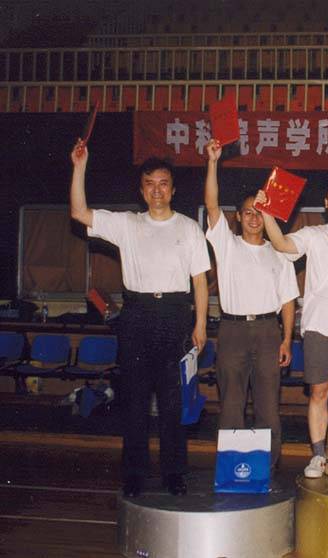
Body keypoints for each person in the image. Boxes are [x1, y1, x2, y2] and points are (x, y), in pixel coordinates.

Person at [70, 140, 210, 497]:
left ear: (173, 190)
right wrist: (79, 166)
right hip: (136, 316)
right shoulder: (127, 224)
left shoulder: (189, 228)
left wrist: (200, 324)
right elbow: (80, 212)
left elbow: (199, 281)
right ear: (142, 190)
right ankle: (134, 476)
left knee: (172, 401)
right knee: (133, 400)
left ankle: (174, 474)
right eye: (150, 184)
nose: (157, 190)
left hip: (176, 316)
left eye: (163, 184)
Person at [262, 179, 328, 479]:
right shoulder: (313, 234)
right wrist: (266, 212)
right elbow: (281, 244)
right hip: (319, 324)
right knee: (319, 392)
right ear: (325, 203)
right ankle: (319, 455)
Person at [204, 139, 298, 467]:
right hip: (232, 331)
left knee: (268, 405)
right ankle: (231, 467)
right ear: (238, 217)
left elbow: (289, 301)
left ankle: (266, 467)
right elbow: (211, 205)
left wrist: (287, 339)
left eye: (260, 213)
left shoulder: (279, 252)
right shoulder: (227, 245)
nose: (254, 219)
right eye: (248, 213)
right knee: (231, 404)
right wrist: (213, 163)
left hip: (269, 331)